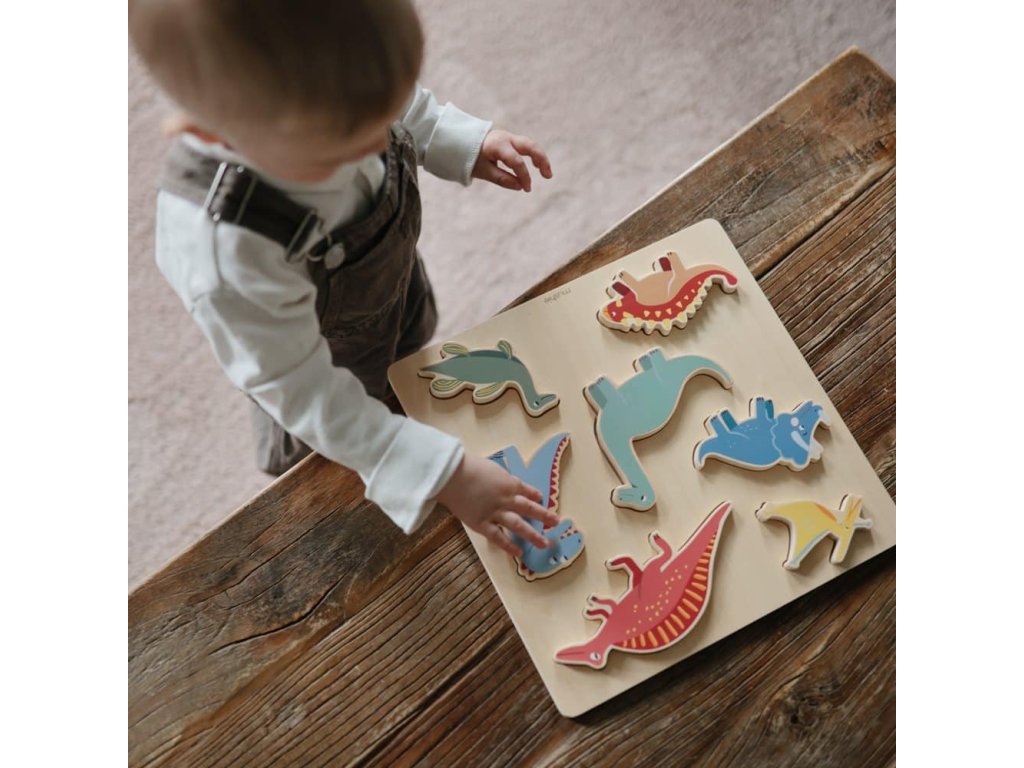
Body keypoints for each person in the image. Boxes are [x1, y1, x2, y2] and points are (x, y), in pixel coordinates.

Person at [129, 0, 558, 557]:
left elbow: (398, 103)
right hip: (317, 367)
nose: (378, 145)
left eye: (383, 118)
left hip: (390, 293)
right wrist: (441, 473)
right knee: (331, 468)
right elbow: (302, 390)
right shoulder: (228, 253)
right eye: (344, 147)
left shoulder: (341, 91)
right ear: (213, 135)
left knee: (407, 357)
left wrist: (455, 138)